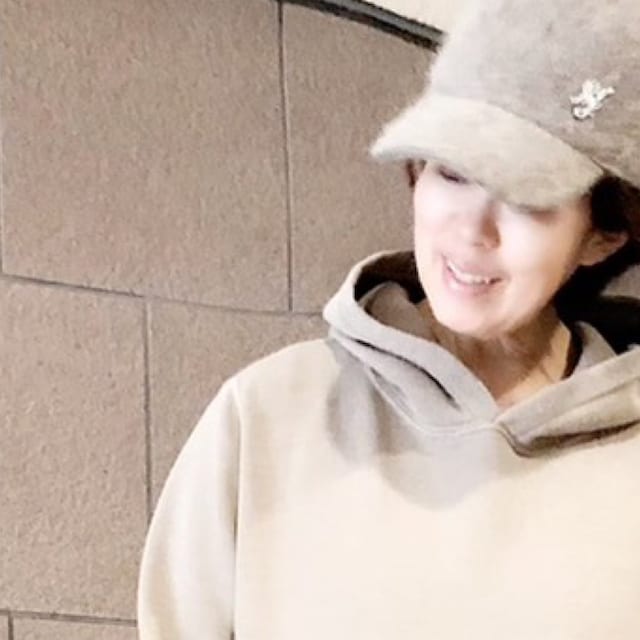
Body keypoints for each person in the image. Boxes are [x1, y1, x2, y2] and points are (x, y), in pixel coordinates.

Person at [137, 0, 640, 637]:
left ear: (603, 235)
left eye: (528, 198)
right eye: (452, 172)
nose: (471, 231)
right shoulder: (268, 414)